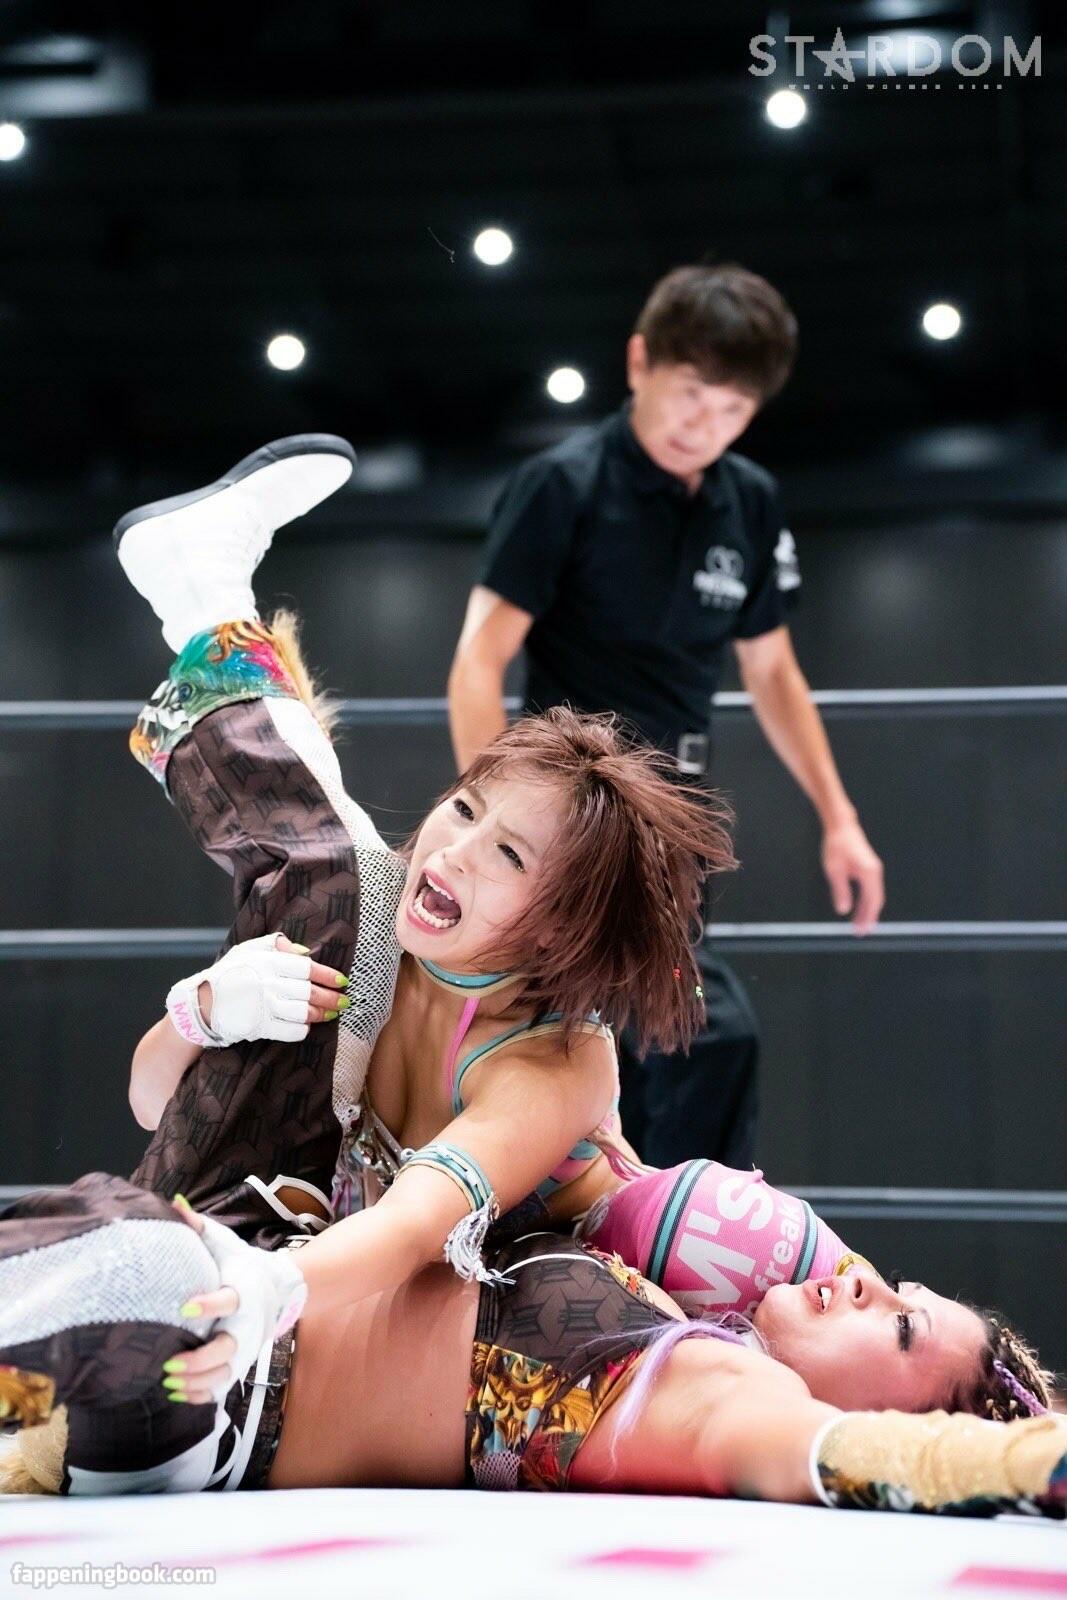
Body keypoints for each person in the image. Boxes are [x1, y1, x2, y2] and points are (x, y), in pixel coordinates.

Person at [107, 434, 878, 1329]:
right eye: (465, 808)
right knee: (346, 887)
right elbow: (159, 1107)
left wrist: (261, 1295)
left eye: (509, 856)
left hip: (429, 1318)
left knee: (340, 880)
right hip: (307, 1276)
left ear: (560, 924)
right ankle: (200, 590)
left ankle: (201, 594)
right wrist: (200, 1012)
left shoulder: (558, 1055)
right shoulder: (371, 935)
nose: (455, 851)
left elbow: (412, 1226)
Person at [448, 262, 885, 1169]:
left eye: (732, 410)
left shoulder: (748, 501)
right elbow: (478, 661)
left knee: (686, 1049)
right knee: (644, 1038)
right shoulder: (562, 484)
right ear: (640, 361)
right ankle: (586, 1227)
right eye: (690, 393)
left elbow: (772, 671)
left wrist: (839, 818)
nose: (703, 425)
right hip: (577, 810)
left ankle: (665, 1232)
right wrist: (501, 822)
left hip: (676, 821)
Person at [0, 1174, 1059, 1512]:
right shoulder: (686, 1317)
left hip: (204, 1384)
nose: (865, 1283)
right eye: (892, 1287)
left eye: (900, 1325)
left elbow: (833, 1454)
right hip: (213, 1313)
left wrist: (1021, 1462)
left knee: (143, 1257)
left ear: (893, 1412)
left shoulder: (728, 1394)